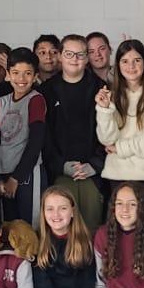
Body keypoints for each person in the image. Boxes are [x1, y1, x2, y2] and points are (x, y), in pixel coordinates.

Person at [41, 34, 107, 231]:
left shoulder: (101, 89)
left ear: (87, 58)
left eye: (80, 54)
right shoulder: (46, 91)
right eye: (69, 54)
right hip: (59, 172)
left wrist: (95, 164)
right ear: (60, 56)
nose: (75, 59)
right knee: (63, 231)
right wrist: (60, 165)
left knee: (91, 230)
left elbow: (110, 131)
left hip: (93, 174)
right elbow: (43, 136)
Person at [95, 39, 144, 217]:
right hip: (115, 175)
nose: (131, 66)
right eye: (125, 61)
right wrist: (104, 109)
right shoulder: (112, 96)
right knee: (115, 231)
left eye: (137, 60)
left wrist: (119, 148)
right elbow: (106, 139)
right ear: (118, 65)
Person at [0, 47, 47, 226]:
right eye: (16, 73)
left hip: (28, 174)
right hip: (4, 173)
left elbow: (35, 143)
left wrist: (16, 178)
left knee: (31, 226)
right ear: (7, 74)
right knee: (10, 226)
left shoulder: (36, 100)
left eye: (27, 73)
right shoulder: (2, 102)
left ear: (35, 76)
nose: (21, 79)